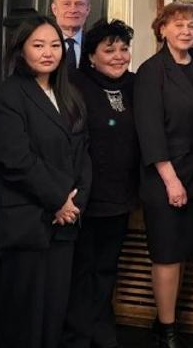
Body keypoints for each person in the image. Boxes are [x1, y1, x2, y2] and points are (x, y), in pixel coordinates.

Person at [0, 15, 92, 348]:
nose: (48, 53)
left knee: (52, 316)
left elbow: (83, 153)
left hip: (63, 226)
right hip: (23, 224)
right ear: (21, 50)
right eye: (38, 45)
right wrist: (59, 200)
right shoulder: (4, 98)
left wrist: (75, 203)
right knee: (19, 320)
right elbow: (16, 161)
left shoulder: (69, 95)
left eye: (55, 45)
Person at [135, 2, 193, 348]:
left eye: (191, 26)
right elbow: (149, 131)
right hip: (165, 175)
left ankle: (167, 318)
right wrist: (171, 181)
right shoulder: (151, 71)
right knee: (167, 253)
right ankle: (167, 329)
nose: (186, 31)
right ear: (162, 29)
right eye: (178, 25)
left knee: (185, 251)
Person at [61, 20, 140, 348]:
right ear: (91, 56)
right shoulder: (75, 84)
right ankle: (78, 335)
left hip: (121, 195)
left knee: (107, 267)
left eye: (123, 49)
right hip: (85, 197)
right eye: (109, 50)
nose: (119, 56)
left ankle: (102, 330)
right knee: (82, 269)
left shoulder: (135, 84)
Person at [52, 0, 92, 71]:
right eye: (66, 4)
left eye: (79, 4)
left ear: (88, 10)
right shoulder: (41, 45)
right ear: (54, 9)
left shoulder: (95, 45)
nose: (73, 10)